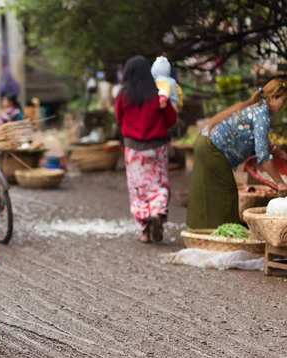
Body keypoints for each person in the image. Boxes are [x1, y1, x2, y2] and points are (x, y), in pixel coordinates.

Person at [187, 79, 287, 229]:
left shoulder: (258, 108)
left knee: (209, 191)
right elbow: (263, 157)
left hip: (207, 143)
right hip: (213, 149)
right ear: (272, 98)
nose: (284, 105)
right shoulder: (262, 115)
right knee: (227, 194)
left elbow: (260, 142)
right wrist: (280, 182)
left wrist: (279, 152)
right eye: (283, 101)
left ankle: (208, 229)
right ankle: (221, 232)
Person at [115, 55, 177, 243]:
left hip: (133, 150)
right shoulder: (158, 96)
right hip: (156, 148)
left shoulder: (123, 96)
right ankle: (157, 212)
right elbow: (171, 121)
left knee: (138, 188)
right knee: (158, 184)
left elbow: (119, 118)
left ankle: (144, 231)